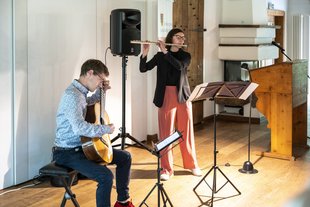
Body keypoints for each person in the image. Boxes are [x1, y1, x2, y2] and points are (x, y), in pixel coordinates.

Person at [53, 59, 135, 207]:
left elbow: (91, 104)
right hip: (67, 152)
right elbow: (79, 128)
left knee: (125, 157)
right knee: (105, 176)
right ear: (90, 73)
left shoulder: (80, 93)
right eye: (100, 79)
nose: (100, 82)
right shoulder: (72, 95)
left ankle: (123, 201)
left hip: (82, 148)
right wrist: (104, 129)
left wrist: (102, 91)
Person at [139, 28, 202, 181]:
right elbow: (143, 68)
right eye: (178, 37)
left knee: (186, 132)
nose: (182, 40)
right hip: (165, 95)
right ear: (170, 38)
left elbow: (179, 66)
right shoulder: (160, 56)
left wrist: (166, 52)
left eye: (183, 38)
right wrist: (145, 53)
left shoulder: (185, 56)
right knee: (166, 134)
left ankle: (192, 164)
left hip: (182, 96)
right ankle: (166, 169)